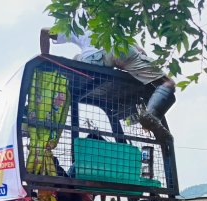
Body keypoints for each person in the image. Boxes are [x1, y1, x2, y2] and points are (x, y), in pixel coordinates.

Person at [40, 22, 176, 141]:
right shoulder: (110, 12)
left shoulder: (73, 21)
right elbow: (140, 50)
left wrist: (46, 58)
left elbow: (44, 32)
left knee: (77, 58)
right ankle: (150, 115)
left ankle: (143, 116)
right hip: (119, 49)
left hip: (93, 60)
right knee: (167, 83)